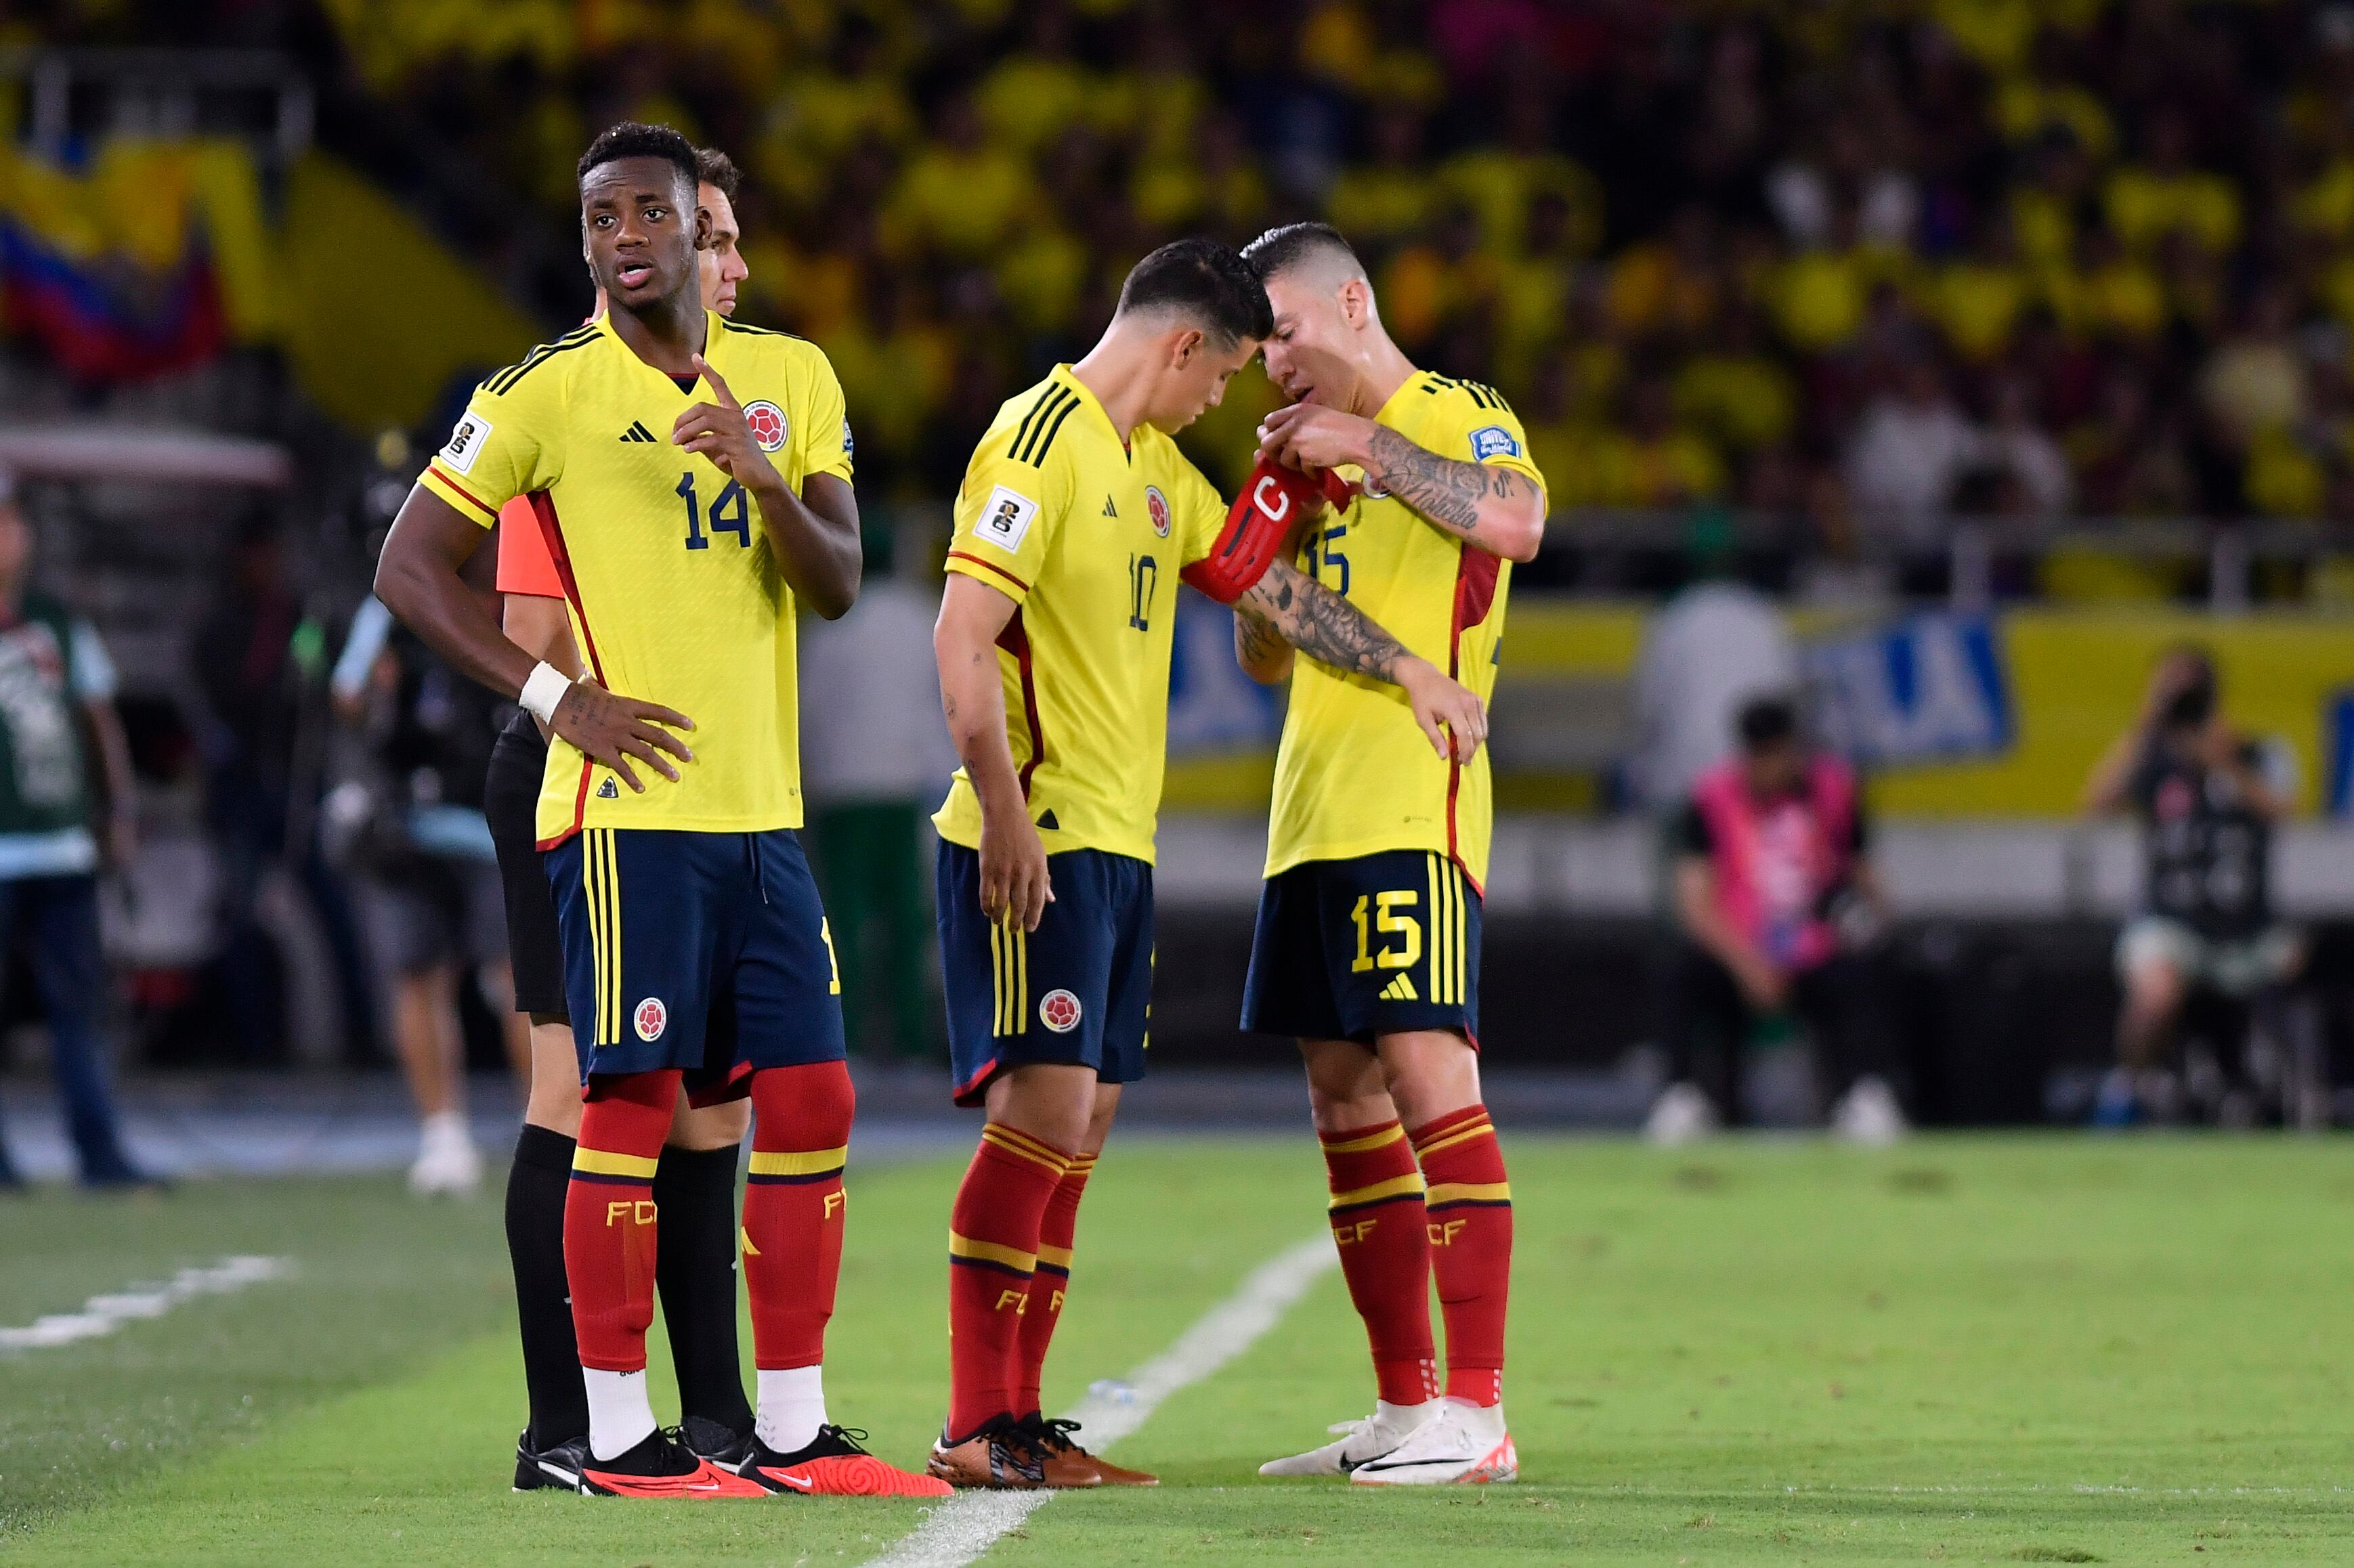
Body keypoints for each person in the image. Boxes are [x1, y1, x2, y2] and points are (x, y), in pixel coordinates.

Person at [377, 122, 943, 1500]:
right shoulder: (544, 398)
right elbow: (429, 573)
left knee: (771, 1099)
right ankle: (592, 1431)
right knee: (599, 1096)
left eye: (657, 214)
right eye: (602, 217)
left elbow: (835, 578)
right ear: (587, 243)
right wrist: (558, 701)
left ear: (700, 231)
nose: (630, 236)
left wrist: (758, 475)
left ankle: (767, 1426)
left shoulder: (790, 378)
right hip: (606, 800)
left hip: (759, 806)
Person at [927, 237, 1488, 1490]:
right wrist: (1008, 815)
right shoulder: (1037, 439)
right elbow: (962, 640)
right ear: (1183, 346)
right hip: (1040, 835)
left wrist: (1407, 669)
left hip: (1119, 849)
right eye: (1225, 375)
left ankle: (1018, 1422)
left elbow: (1267, 593)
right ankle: (976, 1418)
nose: (1225, 399)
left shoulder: (1156, 470)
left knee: (1084, 1124)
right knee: (1043, 1116)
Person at [1230, 221, 1543, 1487]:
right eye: (1258, 353)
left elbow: (1516, 522)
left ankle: (1478, 1412)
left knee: (1428, 1080)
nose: (1272, 368)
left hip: (1415, 805)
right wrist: (1282, 529)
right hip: (1308, 811)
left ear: (1350, 303)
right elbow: (1260, 646)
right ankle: (1405, 1406)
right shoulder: (1305, 461)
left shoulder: (1456, 413)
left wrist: (1365, 444)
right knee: (1343, 1103)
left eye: (1285, 336)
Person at [486, 144, 769, 1489]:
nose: (733, 263)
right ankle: (564, 1428)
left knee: (713, 1104)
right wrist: (580, 711)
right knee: (580, 1094)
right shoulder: (576, 412)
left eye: (725, 236)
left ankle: (715, 1419)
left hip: (704, 796)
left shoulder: (746, 402)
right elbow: (533, 630)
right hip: (583, 780)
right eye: (711, 236)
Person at [331, 586, 528, 1196]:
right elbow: (346, 694)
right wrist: (380, 691)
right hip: (411, 824)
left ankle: (545, 1127)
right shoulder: (392, 600)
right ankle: (442, 1134)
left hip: (497, 814)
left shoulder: (518, 590)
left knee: (522, 979)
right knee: (419, 975)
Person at [1648, 695, 1909, 1146]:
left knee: (1871, 971)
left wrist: (1872, 923)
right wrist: (1748, 964)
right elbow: (1695, 903)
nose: (1771, 768)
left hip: (1816, 952)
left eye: (1780, 754)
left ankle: (1866, 1092)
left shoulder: (1835, 789)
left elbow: (1866, 877)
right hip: (1740, 952)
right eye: (1760, 756)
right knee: (1680, 970)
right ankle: (1682, 1096)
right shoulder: (1711, 799)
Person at [0, 475, 152, 1189]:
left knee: (79, 1008)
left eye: (11, 523)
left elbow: (99, 721)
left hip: (60, 843)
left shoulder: (54, 622)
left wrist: (118, 810)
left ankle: (99, 1149)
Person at [2082, 647, 2298, 1126]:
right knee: (2156, 992)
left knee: (2301, 967)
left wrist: (2225, 762)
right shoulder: (2154, 761)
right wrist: (2147, 726)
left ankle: (2296, 1098)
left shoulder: (2256, 752)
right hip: (2173, 922)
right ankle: (2130, 1085)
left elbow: (2282, 810)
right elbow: (2096, 804)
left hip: (2248, 929)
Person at [798, 525, 955, 1060]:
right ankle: (910, 1039)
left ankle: (848, 1040)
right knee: (907, 919)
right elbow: (943, 695)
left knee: (843, 918)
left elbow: (809, 706)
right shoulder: (918, 614)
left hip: (842, 786)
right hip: (903, 782)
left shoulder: (830, 614)